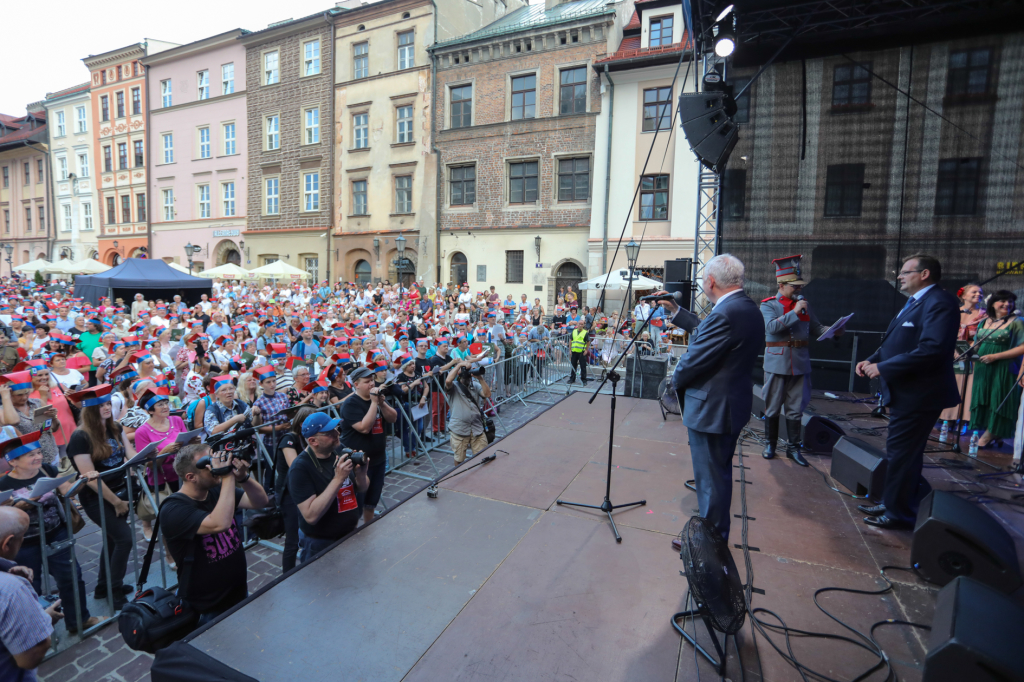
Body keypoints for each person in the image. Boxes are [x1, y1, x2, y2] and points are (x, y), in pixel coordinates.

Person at [659, 254, 763, 541]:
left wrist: (672, 384)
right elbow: (707, 331)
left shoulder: (726, 313)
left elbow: (693, 360)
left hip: (714, 409)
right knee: (715, 475)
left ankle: (711, 540)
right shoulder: (745, 307)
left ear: (711, 281)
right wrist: (676, 309)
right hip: (730, 405)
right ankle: (712, 531)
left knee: (711, 480)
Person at [856, 254, 960, 530]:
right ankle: (893, 502)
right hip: (908, 390)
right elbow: (897, 340)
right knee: (901, 452)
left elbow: (931, 349)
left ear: (924, 274)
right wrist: (873, 359)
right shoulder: (916, 302)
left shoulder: (940, 302)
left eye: (905, 272)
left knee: (903, 452)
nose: (899, 276)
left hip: (921, 392)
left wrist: (884, 367)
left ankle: (898, 512)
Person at [0, 433, 102, 634]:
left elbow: (67, 491)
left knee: (71, 576)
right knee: (30, 586)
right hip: (23, 543)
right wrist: (25, 503)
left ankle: (80, 620)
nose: (38, 457)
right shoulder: (3, 485)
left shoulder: (47, 469)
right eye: (31, 455)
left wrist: (82, 480)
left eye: (38, 452)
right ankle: (37, 631)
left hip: (57, 533)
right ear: (13, 462)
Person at [159, 443, 268, 624]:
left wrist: (243, 477)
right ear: (191, 477)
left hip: (237, 592)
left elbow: (259, 501)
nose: (216, 466)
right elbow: (220, 524)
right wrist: (226, 476)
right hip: (206, 607)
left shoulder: (216, 489)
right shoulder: (174, 509)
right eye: (210, 464)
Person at [759, 255, 836, 465]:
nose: (799, 290)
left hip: (800, 364)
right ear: (782, 285)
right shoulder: (769, 305)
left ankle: (793, 449)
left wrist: (834, 330)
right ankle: (770, 444)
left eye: (800, 286)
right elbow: (771, 329)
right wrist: (794, 312)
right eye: (795, 286)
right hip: (776, 363)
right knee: (773, 406)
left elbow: (816, 328)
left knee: (795, 408)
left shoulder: (804, 305)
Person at [65, 384, 136, 609]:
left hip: (120, 489)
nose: (106, 408)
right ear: (89, 410)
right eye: (100, 405)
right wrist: (115, 502)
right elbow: (89, 476)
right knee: (124, 539)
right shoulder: (80, 436)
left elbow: (130, 453)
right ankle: (114, 590)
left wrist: (144, 457)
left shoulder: (114, 427)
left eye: (107, 404)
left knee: (113, 539)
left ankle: (102, 587)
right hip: (96, 496)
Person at [288, 412, 369, 564]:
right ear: (313, 441)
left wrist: (361, 474)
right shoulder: (300, 468)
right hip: (320, 543)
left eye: (336, 428)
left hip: (349, 532)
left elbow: (362, 488)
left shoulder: (338, 449)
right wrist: (338, 478)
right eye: (329, 432)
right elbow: (311, 516)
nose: (337, 433)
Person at [0, 507, 66, 682]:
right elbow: (30, 657)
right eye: (22, 538)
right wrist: (45, 619)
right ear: (7, 543)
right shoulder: (11, 590)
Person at [339, 367, 396, 524]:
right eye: (367, 382)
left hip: (378, 459)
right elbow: (364, 428)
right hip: (358, 462)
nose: (371, 384)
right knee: (356, 503)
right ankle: (352, 534)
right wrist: (373, 403)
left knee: (371, 501)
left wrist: (382, 405)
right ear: (356, 384)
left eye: (372, 380)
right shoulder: (350, 404)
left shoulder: (377, 399)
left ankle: (368, 530)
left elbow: (393, 418)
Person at [968, 290, 1024, 448]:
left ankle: (989, 435)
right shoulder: (986, 321)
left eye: (1010, 301)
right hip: (982, 367)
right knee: (984, 398)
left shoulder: (1017, 321)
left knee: (999, 399)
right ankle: (993, 432)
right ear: (992, 303)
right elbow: (977, 343)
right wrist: (966, 352)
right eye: (1003, 301)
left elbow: (1023, 347)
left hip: (1004, 367)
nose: (1007, 304)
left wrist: (996, 356)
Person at [445, 359, 492, 465]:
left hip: (477, 427)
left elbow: (487, 394)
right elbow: (448, 381)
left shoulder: (475, 385)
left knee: (483, 456)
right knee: (459, 459)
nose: (467, 375)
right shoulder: (454, 386)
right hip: (459, 429)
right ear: (459, 374)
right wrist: (459, 366)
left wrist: (480, 379)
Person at [567, 318, 592, 386]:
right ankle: (572, 378)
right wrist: (570, 349)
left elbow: (588, 341)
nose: (580, 325)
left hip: (581, 352)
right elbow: (570, 340)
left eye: (582, 324)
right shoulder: (574, 331)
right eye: (579, 324)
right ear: (577, 324)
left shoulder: (585, 333)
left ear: (583, 325)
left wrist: (586, 350)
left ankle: (583, 380)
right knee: (573, 366)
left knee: (583, 366)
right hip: (574, 351)